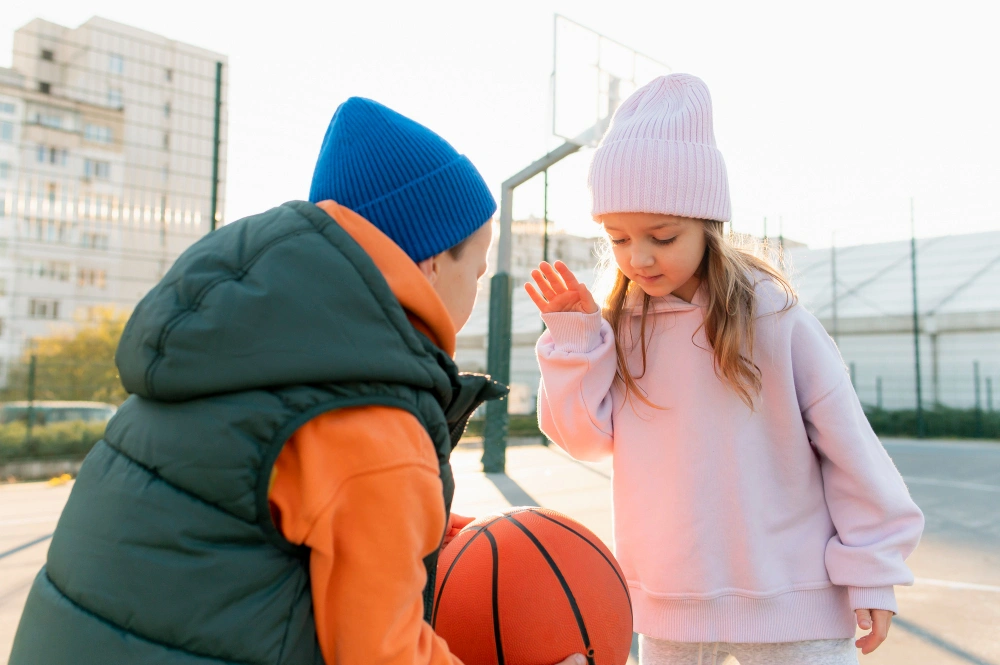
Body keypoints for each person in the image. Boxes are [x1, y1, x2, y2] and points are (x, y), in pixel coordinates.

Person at [12, 97, 585, 665]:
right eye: (477, 270)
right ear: (432, 261)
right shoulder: (370, 411)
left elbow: (246, 516)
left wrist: (425, 523)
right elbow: (382, 656)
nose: (475, 289)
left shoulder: (241, 351)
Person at [526, 74, 924, 665]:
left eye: (662, 236)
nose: (639, 256)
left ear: (708, 222)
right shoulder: (619, 329)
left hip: (796, 607)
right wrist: (575, 340)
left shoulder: (776, 318)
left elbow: (851, 450)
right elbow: (582, 439)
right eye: (618, 238)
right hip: (668, 610)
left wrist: (871, 568)